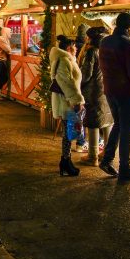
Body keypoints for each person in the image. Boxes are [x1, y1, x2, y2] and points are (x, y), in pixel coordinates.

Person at [98, 12, 130, 181]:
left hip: (110, 90)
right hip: (126, 93)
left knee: (118, 125)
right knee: (126, 131)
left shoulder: (105, 41)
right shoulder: (128, 44)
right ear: (129, 27)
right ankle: (125, 167)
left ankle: (107, 159)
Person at [77, 24, 114, 167]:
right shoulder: (109, 50)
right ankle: (106, 152)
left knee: (93, 121)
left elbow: (86, 74)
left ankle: (93, 156)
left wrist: (78, 83)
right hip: (107, 88)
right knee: (106, 120)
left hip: (93, 91)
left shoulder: (92, 52)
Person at [50, 37, 85, 176]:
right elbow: (66, 82)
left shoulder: (67, 59)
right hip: (66, 103)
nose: (76, 49)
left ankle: (66, 161)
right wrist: (76, 100)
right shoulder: (64, 60)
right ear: (69, 48)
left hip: (67, 101)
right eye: (74, 47)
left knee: (68, 134)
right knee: (67, 134)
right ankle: (65, 162)